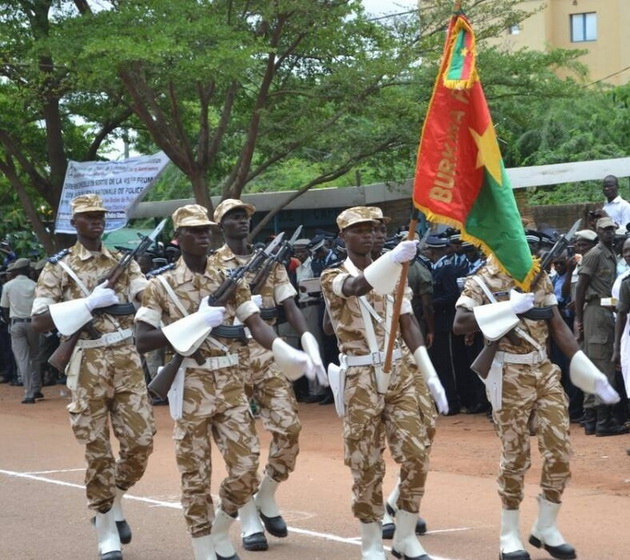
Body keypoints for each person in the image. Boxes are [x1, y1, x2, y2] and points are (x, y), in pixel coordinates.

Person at [134, 203, 314, 560]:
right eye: (194, 231)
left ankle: (221, 527)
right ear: (179, 237)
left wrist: (283, 349)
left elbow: (255, 322)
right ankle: (204, 547)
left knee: (246, 466)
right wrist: (194, 323)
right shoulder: (162, 284)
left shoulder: (230, 279)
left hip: (231, 384)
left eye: (206, 230)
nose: (203, 236)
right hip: (190, 386)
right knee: (196, 476)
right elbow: (142, 339)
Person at [453, 254, 619, 560]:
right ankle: (509, 535)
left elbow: (557, 325)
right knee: (515, 456)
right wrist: (506, 309)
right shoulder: (480, 281)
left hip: (543, 370)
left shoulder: (537, 277)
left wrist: (589, 371)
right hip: (508, 373)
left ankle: (545, 526)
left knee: (560, 451)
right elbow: (460, 324)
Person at [31, 194, 155, 560]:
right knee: (98, 450)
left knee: (141, 443)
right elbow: (38, 322)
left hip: (126, 361)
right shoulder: (58, 268)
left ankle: (113, 500)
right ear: (75, 223)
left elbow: (145, 296)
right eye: (88, 217)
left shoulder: (122, 261)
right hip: (86, 364)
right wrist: (86, 305)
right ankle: (105, 527)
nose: (97, 221)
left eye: (100, 215)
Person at [321, 206, 448, 560]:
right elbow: (357, 286)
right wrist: (393, 257)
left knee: (416, 453)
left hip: (402, 374)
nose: (369, 235)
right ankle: (371, 541)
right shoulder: (332, 274)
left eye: (374, 229)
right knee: (366, 462)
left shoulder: (398, 273)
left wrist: (429, 372)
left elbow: (407, 322)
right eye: (359, 230)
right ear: (343, 236)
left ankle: (405, 534)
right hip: (361, 376)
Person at [211, 199, 327, 553]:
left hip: (268, 352)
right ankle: (247, 519)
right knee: (240, 445)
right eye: (233, 218)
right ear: (220, 226)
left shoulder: (270, 262)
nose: (242, 223)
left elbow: (290, 306)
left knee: (289, 428)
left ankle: (267, 496)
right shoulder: (213, 264)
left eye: (245, 217)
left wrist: (309, 344)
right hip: (228, 357)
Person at [574, 217, 628, 436]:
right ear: (598, 231)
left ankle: (592, 421)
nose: (610, 233)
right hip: (597, 313)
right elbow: (580, 287)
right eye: (605, 230)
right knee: (603, 364)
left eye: (612, 230)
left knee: (595, 363)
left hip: (606, 311)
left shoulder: (611, 255)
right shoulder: (596, 254)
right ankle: (603, 423)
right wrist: (579, 319)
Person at [0, 258, 41, 403]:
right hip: (33, 323)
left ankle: (29, 393)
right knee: (35, 356)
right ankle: (37, 388)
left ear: (16, 271)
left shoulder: (8, 286)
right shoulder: (35, 285)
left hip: (16, 323)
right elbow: (40, 306)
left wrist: (9, 322)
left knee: (23, 359)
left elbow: (4, 308)